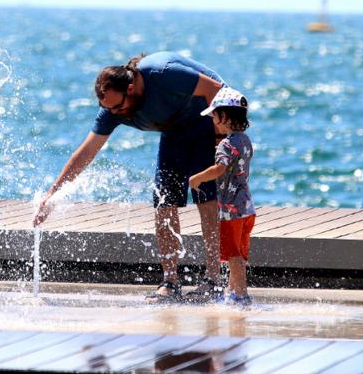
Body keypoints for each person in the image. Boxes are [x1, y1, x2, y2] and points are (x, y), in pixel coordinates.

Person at [33, 51, 228, 303]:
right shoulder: (113, 110)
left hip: (207, 121)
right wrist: (53, 194)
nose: (115, 113)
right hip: (174, 130)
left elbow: (216, 89)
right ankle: (170, 281)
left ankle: (213, 280)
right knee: (163, 202)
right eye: (108, 108)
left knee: (206, 199)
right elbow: (86, 152)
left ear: (132, 87)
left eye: (117, 106)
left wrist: (220, 139)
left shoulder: (164, 73)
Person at [189, 87, 256, 306]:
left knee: (232, 253)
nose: (213, 120)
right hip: (247, 207)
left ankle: (241, 295)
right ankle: (233, 290)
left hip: (231, 209)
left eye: (215, 115)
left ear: (224, 116)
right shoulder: (244, 140)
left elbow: (220, 168)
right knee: (239, 253)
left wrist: (197, 178)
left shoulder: (226, 145)